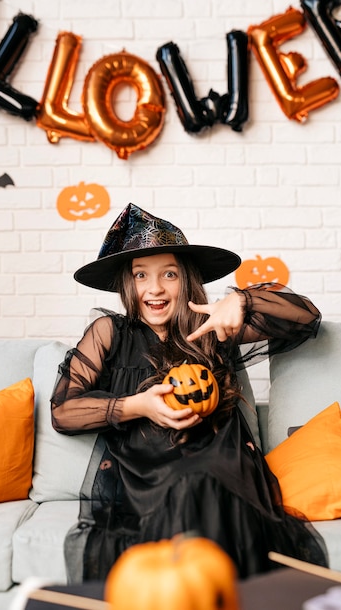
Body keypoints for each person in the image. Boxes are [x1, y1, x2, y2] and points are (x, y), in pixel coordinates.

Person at [51, 202, 328, 583]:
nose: (155, 288)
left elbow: (307, 317)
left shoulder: (214, 327)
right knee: (182, 490)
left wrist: (240, 301)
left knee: (199, 484)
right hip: (145, 477)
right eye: (141, 275)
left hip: (221, 467)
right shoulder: (109, 333)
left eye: (169, 274)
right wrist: (137, 405)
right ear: (128, 285)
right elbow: (63, 411)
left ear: (187, 280)